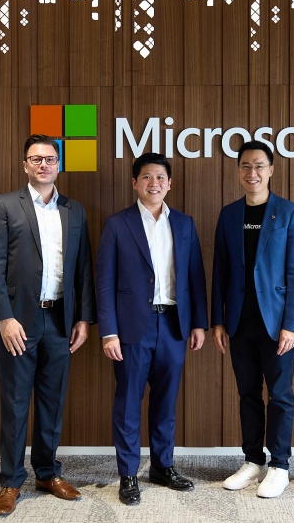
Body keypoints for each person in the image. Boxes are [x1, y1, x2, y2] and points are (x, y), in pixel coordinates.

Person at [0, 134, 96, 516]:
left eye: (49, 159)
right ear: (25, 165)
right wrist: (4, 317)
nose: (43, 165)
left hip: (60, 320)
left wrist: (84, 318)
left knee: (52, 400)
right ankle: (11, 481)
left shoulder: (74, 210)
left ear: (58, 165)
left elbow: (83, 268)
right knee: (15, 403)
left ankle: (47, 473)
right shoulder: (4, 205)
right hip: (19, 322)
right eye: (36, 159)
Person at [97, 152, 208, 506]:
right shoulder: (118, 224)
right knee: (128, 401)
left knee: (166, 401)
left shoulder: (184, 224)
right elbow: (104, 281)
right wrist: (108, 332)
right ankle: (128, 473)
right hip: (132, 327)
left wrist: (199, 323)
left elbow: (195, 276)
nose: (154, 183)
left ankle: (162, 466)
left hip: (174, 324)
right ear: (135, 183)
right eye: (146, 177)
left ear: (169, 183)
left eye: (160, 177)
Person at [211, 140, 294, 498]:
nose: (252, 173)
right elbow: (220, 270)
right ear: (238, 171)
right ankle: (253, 460)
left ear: (270, 170)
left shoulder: (289, 213)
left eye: (259, 166)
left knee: (280, 395)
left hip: (277, 324)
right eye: (245, 166)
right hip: (239, 322)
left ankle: (280, 465)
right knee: (247, 394)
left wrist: (292, 324)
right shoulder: (229, 214)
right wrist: (217, 321)